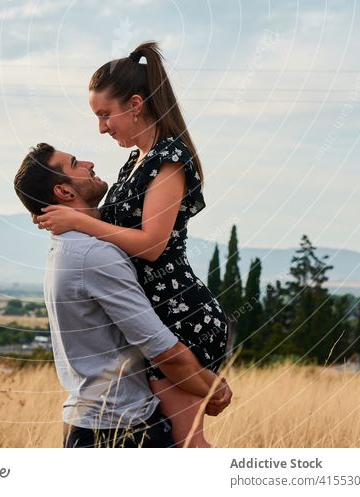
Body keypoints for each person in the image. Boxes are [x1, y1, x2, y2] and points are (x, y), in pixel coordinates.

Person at [34, 41, 230, 448]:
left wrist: (77, 220)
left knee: (187, 444)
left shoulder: (169, 158)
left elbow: (153, 245)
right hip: (158, 311)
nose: (101, 127)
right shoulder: (137, 160)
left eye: (105, 115)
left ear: (136, 104)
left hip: (179, 315)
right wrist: (75, 220)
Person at [14, 142, 232, 448]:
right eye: (76, 163)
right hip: (118, 428)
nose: (89, 163)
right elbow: (160, 347)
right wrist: (213, 387)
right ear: (64, 192)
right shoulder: (94, 255)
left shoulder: (71, 246)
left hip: (96, 422)